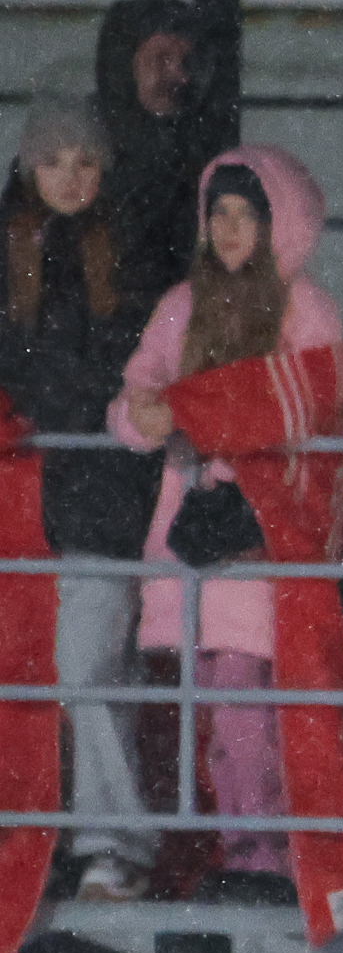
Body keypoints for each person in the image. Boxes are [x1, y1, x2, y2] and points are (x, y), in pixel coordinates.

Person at [107, 147, 343, 930]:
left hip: (260, 536)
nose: (231, 229)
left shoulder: (309, 310)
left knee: (246, 697)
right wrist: (150, 416)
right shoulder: (178, 306)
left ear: (280, 224)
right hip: (185, 539)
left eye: (248, 214)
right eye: (220, 213)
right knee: (202, 699)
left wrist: (198, 418)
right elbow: (131, 409)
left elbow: (306, 412)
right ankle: (221, 847)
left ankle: (260, 850)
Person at [3, 100, 155, 899]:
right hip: (19, 499)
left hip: (100, 500)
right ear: (29, 166)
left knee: (88, 666)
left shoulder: (131, 255)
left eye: (85, 160)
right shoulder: (4, 258)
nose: (70, 177)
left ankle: (112, 840)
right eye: (54, 159)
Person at [93, 0, 220, 301]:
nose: (180, 75)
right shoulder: (72, 148)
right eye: (161, 59)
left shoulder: (202, 153)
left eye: (188, 62)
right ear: (124, 65)